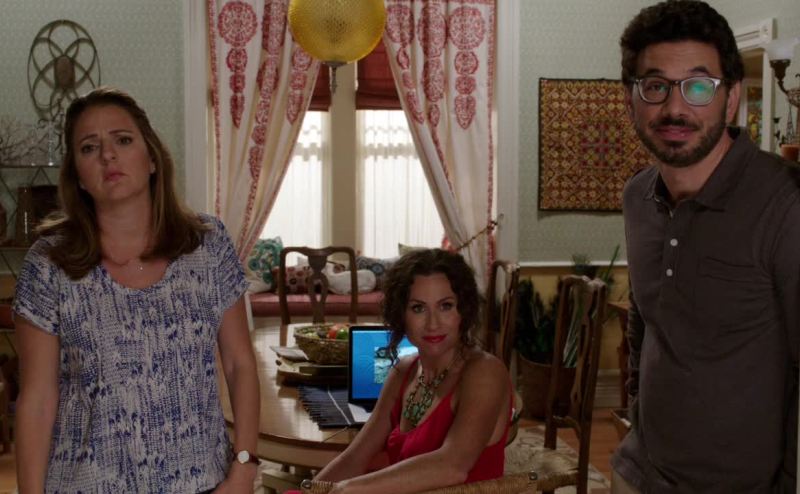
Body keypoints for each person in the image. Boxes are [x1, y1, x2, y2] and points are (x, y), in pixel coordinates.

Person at [14, 87, 260, 493]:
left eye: (123, 140)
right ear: (78, 176)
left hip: (202, 481)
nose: (107, 155)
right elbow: (37, 400)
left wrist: (245, 468)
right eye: (89, 147)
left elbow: (239, 364)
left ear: (152, 158)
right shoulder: (49, 264)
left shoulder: (208, 245)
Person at [612, 1, 799, 493]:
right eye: (655, 86)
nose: (676, 108)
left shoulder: (786, 203)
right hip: (637, 473)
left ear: (731, 98)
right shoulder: (636, 196)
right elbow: (644, 318)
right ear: (630, 99)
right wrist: (636, 412)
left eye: (699, 87)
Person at [296, 249, 512, 494]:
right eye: (418, 308)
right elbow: (356, 457)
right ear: (401, 314)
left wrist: (348, 489)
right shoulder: (403, 371)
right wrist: (311, 493)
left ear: (464, 310)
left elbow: (453, 467)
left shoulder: (485, 372)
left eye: (446, 306)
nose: (433, 323)